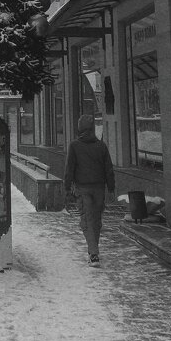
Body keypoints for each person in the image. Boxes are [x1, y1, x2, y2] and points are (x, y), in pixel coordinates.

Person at [63, 114, 115, 267]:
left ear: (80, 129)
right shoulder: (101, 146)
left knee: (87, 221)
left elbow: (69, 169)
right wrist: (111, 188)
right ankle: (94, 249)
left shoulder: (75, 146)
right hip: (99, 188)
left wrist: (67, 189)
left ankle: (93, 253)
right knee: (96, 221)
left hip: (83, 188)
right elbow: (109, 169)